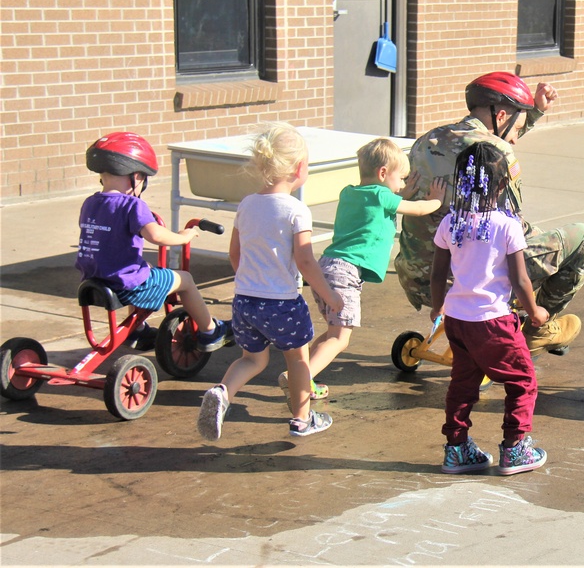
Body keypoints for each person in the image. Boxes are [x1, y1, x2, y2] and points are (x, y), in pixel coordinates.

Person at [395, 71, 584, 356]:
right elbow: (510, 224)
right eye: (517, 129)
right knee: (582, 238)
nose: (515, 140)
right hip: (472, 284)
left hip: (419, 279)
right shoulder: (501, 153)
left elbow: (482, 144)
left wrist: (533, 113)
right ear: (502, 115)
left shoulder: (427, 141)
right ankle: (538, 328)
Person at [197, 123, 341, 441]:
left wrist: (251, 281)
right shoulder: (296, 211)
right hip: (283, 303)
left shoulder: (247, 205)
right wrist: (329, 295)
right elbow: (305, 261)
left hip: (244, 300)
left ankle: (223, 392)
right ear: (300, 168)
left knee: (251, 359)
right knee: (299, 360)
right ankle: (302, 419)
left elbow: (235, 254)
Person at [431, 142, 550, 475]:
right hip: (493, 321)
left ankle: (456, 449)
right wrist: (536, 311)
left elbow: (438, 272)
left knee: (463, 383)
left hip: (456, 320)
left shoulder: (450, 222)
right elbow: (521, 280)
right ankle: (515, 448)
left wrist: (436, 306)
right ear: (501, 185)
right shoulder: (506, 225)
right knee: (523, 380)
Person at [297, 138, 446, 402]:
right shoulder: (381, 196)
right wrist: (436, 200)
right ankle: (299, 380)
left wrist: (398, 193)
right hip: (346, 272)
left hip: (327, 267)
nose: (402, 184)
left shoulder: (350, 192)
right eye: (401, 178)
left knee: (333, 332)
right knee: (341, 339)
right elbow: (419, 209)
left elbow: (374, 207)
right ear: (383, 173)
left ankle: (300, 373)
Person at [76, 132, 232, 353]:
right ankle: (210, 331)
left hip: (94, 280)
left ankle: (138, 330)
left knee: (143, 267)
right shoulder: (132, 205)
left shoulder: (90, 203)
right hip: (125, 285)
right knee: (184, 279)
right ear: (137, 176)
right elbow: (156, 236)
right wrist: (183, 236)